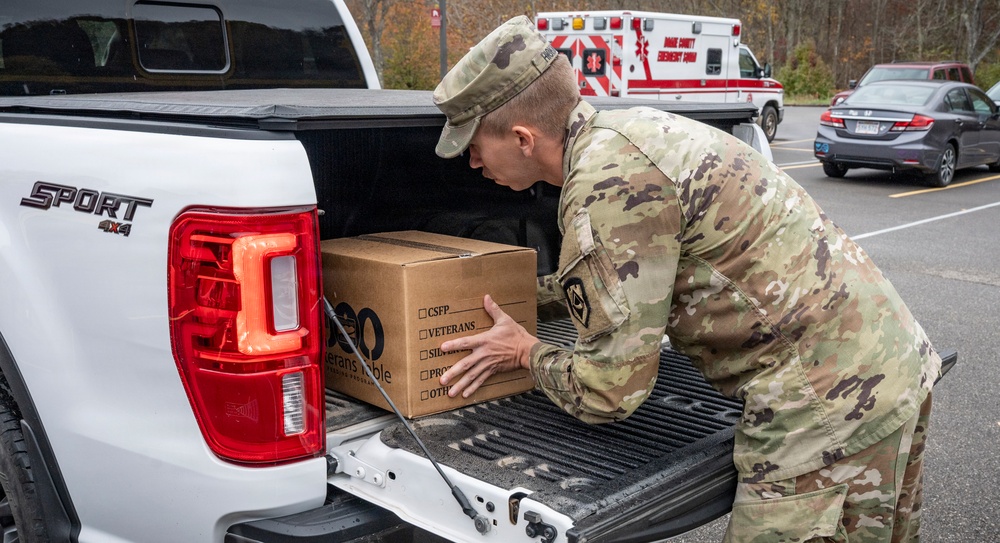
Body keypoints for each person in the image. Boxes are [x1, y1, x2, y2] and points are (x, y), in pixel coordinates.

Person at [432, 15, 942, 543]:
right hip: (883, 361)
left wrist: (524, 353)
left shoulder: (607, 185)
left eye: (473, 144)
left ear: (521, 138)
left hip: (826, 406)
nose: (470, 162)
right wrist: (520, 299)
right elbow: (627, 280)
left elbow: (609, 392)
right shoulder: (625, 135)